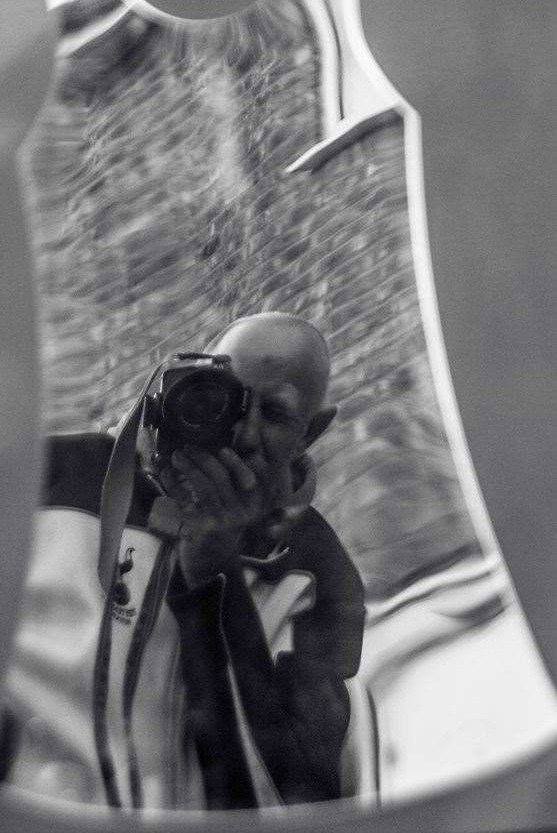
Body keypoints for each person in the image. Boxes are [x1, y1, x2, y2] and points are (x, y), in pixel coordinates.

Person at [3, 312, 365, 810]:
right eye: (227, 398)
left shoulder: (314, 572)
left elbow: (297, 795)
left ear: (312, 431)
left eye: (276, 415)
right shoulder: (48, 477)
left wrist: (215, 580)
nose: (243, 432)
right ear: (182, 386)